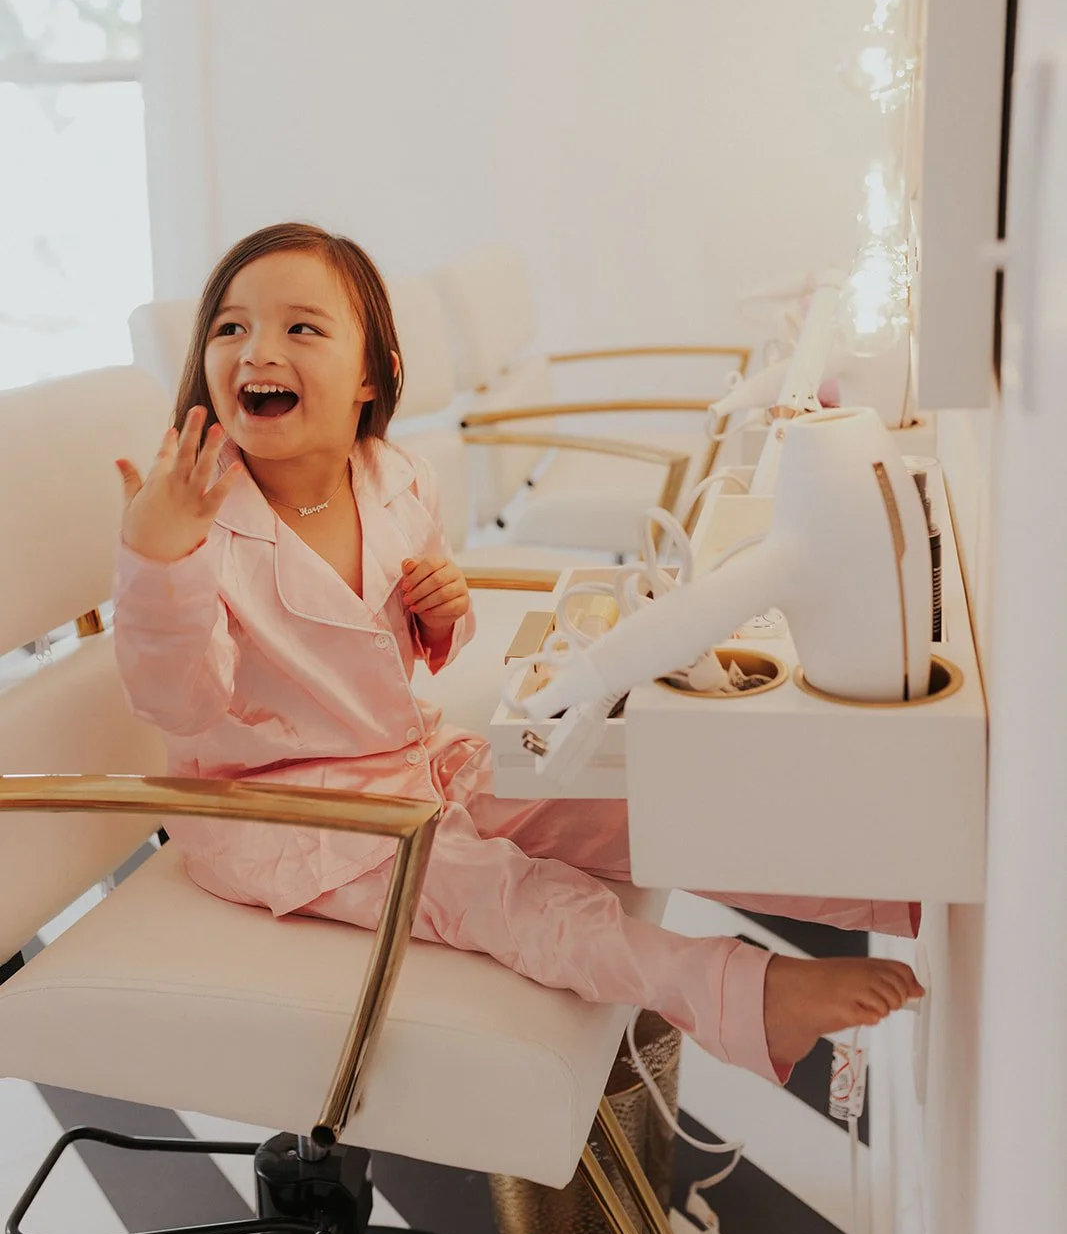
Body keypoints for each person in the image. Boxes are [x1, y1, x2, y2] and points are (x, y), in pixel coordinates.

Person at [113, 222, 922, 1086]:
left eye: (300, 327)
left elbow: (411, 644)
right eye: (230, 328)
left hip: (412, 758)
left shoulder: (393, 477)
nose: (257, 350)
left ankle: (886, 878)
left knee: (622, 805)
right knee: (503, 894)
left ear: (371, 377)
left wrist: (443, 613)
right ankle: (740, 994)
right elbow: (177, 702)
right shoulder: (190, 524)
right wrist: (159, 558)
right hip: (286, 815)